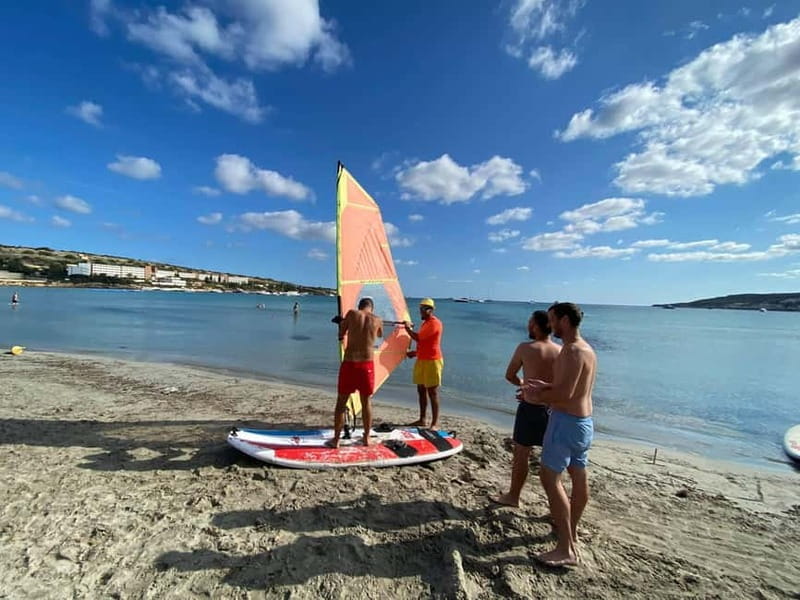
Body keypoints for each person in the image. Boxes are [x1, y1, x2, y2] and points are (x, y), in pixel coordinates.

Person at [524, 302, 596, 568]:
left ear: (564, 320)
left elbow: (564, 396)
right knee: (578, 476)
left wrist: (535, 395)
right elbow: (573, 388)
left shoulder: (570, 351)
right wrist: (548, 386)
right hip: (584, 423)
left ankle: (566, 548)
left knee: (549, 479)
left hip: (565, 423)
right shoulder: (586, 349)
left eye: (553, 320)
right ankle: (571, 531)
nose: (550, 326)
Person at [491, 310, 560, 508]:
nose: (528, 326)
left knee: (521, 454)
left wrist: (523, 384)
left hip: (530, 408)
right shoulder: (560, 350)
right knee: (552, 461)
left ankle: (514, 496)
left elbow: (509, 375)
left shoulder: (525, 348)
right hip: (552, 409)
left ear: (537, 326)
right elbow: (562, 383)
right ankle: (555, 505)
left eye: (530, 323)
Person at [328, 297, 383, 448]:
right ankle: (366, 438)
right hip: (367, 366)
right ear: (372, 308)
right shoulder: (378, 319)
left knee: (340, 404)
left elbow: (341, 334)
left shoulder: (352, 314)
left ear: (359, 306)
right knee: (366, 403)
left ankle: (336, 440)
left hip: (350, 364)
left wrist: (341, 323)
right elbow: (379, 335)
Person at [404, 298, 444, 429]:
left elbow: (419, 338)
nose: (420, 311)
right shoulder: (425, 323)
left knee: (432, 391)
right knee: (420, 390)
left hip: (433, 361)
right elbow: (425, 344)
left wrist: (407, 329)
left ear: (430, 310)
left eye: (422, 309)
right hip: (422, 360)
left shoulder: (435, 323)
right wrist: (415, 353)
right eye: (420, 308)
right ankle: (422, 419)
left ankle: (435, 423)